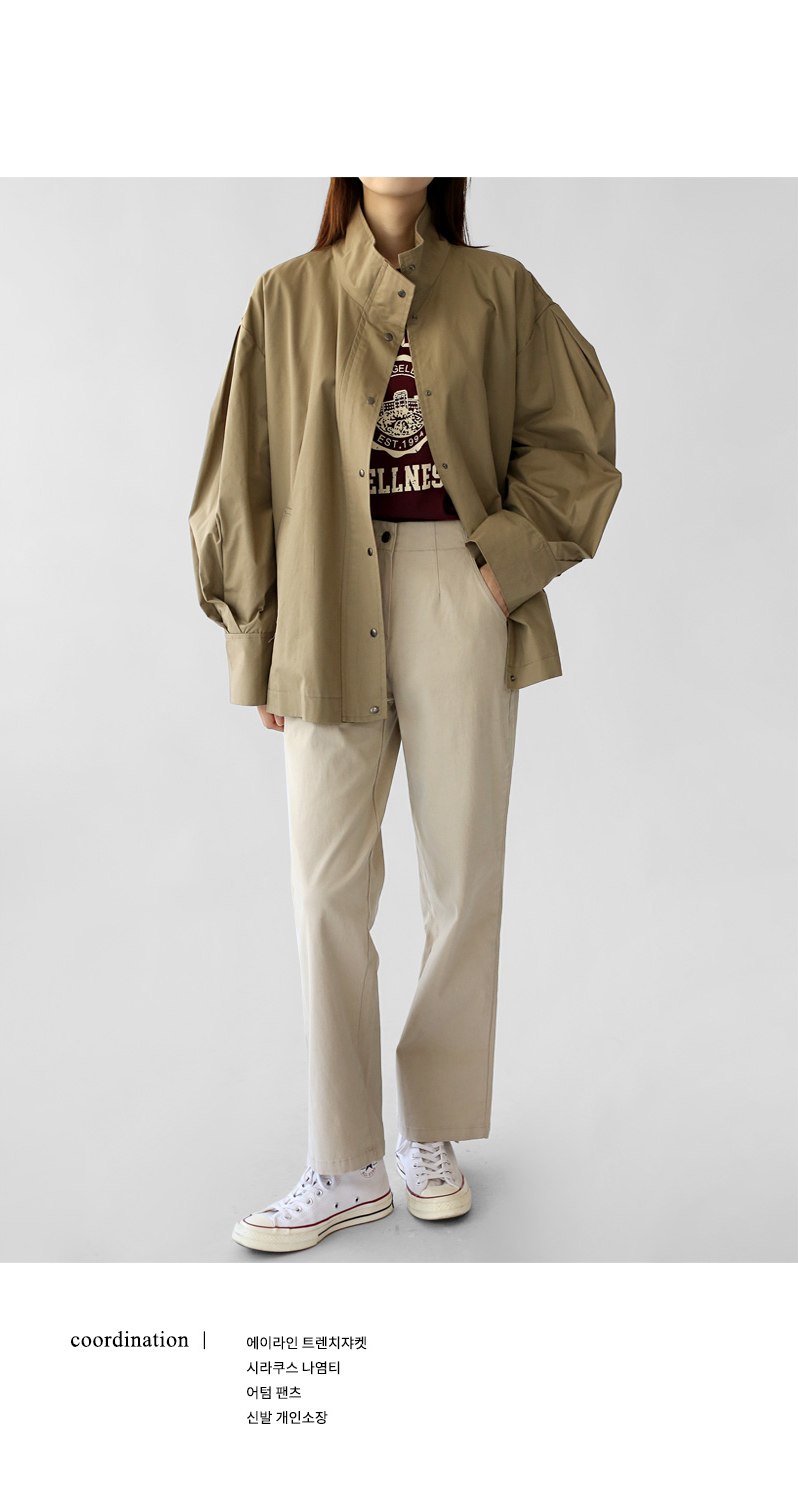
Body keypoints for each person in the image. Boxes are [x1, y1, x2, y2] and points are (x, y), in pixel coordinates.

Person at [188, 177, 622, 1254]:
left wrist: (499, 568)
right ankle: (343, 1162)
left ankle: (431, 1131)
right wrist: (259, 639)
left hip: (454, 586)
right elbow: (239, 480)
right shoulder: (284, 297)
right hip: (323, 594)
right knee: (324, 887)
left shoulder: (498, 291)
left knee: (461, 875)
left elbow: (576, 437)